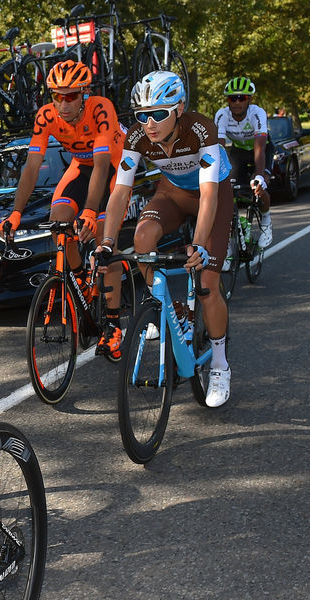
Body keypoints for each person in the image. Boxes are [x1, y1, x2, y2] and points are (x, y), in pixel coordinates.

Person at [97, 71, 235, 407]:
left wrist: (199, 244)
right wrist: (106, 242)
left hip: (212, 196)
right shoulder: (136, 138)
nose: (149, 124)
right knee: (143, 237)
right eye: (142, 116)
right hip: (172, 193)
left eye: (159, 114)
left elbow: (209, 193)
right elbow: (120, 192)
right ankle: (165, 306)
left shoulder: (201, 129)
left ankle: (220, 363)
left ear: (179, 108)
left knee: (206, 284)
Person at [0, 59, 127, 359]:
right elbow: (31, 166)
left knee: (104, 240)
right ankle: (80, 275)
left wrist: (92, 211)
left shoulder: (100, 108)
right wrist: (16, 213)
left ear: (83, 94)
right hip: (81, 168)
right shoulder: (46, 117)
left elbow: (102, 164)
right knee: (59, 224)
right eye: (58, 95)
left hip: (114, 169)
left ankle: (113, 324)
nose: (64, 103)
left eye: (71, 96)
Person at [214, 76, 273, 248]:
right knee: (226, 188)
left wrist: (260, 176)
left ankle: (266, 221)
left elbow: (260, 147)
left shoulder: (258, 113)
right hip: (238, 152)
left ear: (250, 100)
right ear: (228, 101)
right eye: (233, 98)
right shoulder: (222, 115)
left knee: (258, 187)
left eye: (242, 98)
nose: (237, 102)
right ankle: (231, 235)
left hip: (261, 150)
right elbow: (219, 148)